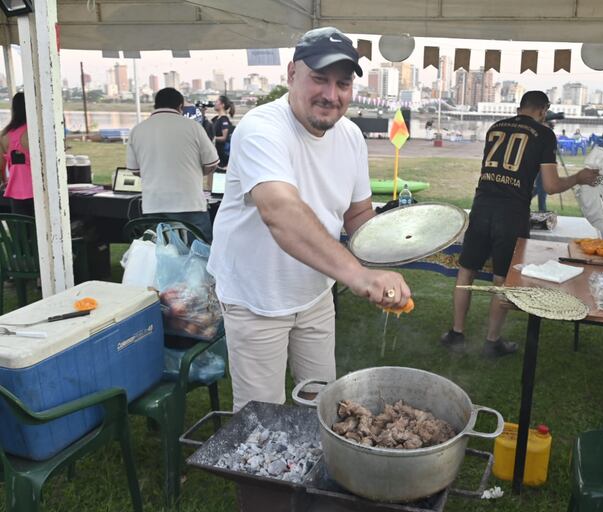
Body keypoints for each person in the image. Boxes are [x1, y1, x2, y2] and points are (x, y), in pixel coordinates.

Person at [207, 27, 411, 409]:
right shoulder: (261, 128)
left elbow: (358, 213)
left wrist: (387, 255)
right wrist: (359, 276)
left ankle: (319, 468)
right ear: (291, 74)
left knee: (323, 403)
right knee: (261, 417)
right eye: (319, 79)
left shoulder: (350, 136)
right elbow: (280, 213)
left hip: (316, 292)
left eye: (342, 83)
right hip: (256, 296)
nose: (331, 95)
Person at [439, 91, 599, 357]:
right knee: (503, 277)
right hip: (511, 212)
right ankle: (492, 341)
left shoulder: (495, 127)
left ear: (519, 107)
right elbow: (551, 185)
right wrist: (579, 178)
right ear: (543, 110)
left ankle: (456, 333)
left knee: (466, 270)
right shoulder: (545, 133)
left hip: (482, 204)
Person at [126, 87, 219, 241]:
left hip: (154, 204)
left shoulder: (138, 130)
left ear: (156, 105)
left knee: (162, 254)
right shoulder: (194, 127)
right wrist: (196, 172)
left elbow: (134, 170)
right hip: (190, 203)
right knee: (200, 255)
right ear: (180, 106)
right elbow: (212, 163)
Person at [0, 92, 34, 216]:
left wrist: (5, 181)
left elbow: (1, 167)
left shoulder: (4, 135)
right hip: (38, 190)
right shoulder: (34, 131)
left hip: (15, 191)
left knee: (23, 230)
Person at [212, 95, 235, 169]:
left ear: (222, 105)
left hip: (222, 155)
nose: (215, 104)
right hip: (216, 153)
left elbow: (224, 138)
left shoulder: (224, 120)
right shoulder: (216, 119)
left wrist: (213, 138)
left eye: (217, 102)